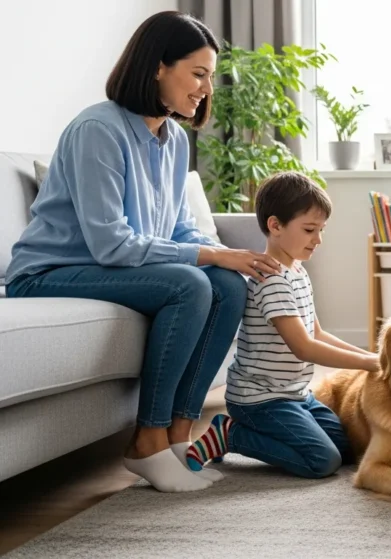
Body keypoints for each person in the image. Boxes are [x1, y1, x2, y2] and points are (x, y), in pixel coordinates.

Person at [3, 11, 281, 493]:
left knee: (228, 286)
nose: (205, 88)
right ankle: (146, 442)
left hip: (103, 268)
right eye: (197, 74)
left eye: (209, 77)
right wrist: (213, 257)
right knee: (191, 283)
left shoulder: (172, 139)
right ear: (157, 67)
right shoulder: (98, 130)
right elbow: (112, 243)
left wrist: (231, 256)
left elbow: (176, 227)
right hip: (49, 272)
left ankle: (179, 435)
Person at [185, 172, 380, 479]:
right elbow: (304, 347)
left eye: (321, 230)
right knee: (322, 461)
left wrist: (369, 356)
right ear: (275, 226)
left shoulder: (298, 273)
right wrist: (370, 363)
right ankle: (230, 435)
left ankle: (264, 434)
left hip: (297, 394)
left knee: (346, 449)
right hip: (260, 400)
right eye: (309, 230)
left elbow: (317, 334)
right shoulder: (272, 281)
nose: (318, 239)